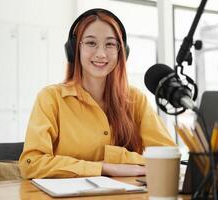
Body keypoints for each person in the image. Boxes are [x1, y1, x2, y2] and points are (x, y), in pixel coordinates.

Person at [19, 8, 175, 179]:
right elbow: (31, 164)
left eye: (110, 44)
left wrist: (116, 161)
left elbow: (168, 158)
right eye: (91, 43)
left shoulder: (135, 99)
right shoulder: (51, 98)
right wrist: (104, 167)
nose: (101, 54)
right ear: (74, 50)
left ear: (121, 51)